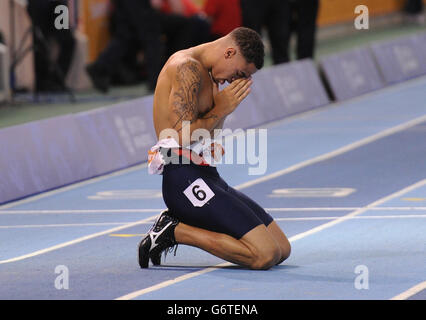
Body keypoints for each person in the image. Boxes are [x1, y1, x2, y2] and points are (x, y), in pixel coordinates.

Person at [138, 27, 291, 270]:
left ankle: (177, 228)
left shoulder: (212, 74)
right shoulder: (186, 68)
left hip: (205, 174)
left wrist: (224, 109)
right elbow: (177, 137)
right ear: (229, 52)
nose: (235, 80)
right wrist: (222, 108)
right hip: (182, 179)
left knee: (282, 249)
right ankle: (174, 231)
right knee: (264, 255)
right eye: (239, 73)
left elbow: (208, 134)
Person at [27, 0, 76, 92]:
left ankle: (57, 81)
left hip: (58, 4)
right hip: (39, 4)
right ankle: (42, 83)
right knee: (40, 42)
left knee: (68, 41)